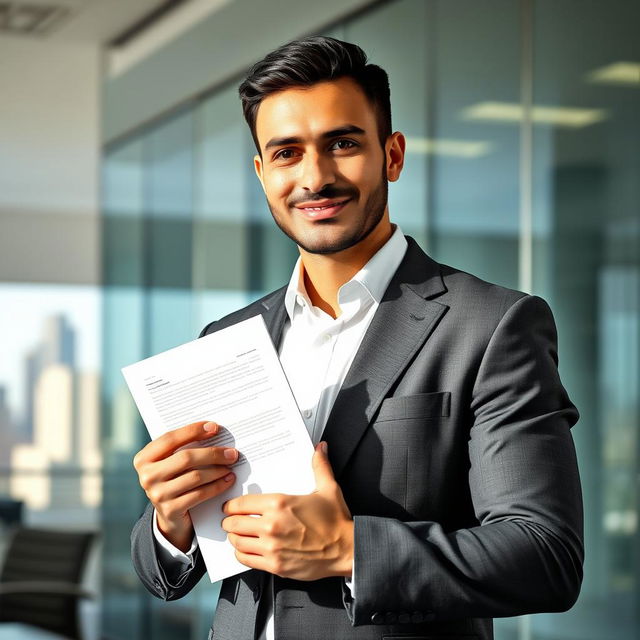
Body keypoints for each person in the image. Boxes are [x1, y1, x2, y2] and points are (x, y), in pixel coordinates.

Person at [131, 37, 583, 640]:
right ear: (263, 174)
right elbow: (166, 572)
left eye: (342, 143)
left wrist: (348, 550)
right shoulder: (228, 338)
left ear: (392, 155)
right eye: (286, 153)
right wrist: (170, 520)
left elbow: (545, 555)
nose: (315, 177)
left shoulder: (493, 325)